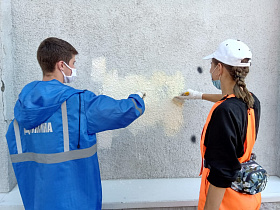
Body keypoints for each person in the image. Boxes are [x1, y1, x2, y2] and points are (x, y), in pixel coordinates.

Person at [5, 37, 146, 210]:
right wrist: (137, 99)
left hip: (37, 203)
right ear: (61, 65)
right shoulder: (79, 102)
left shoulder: (21, 110)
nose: (75, 68)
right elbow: (119, 111)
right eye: (73, 63)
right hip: (76, 203)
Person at [178, 39, 261, 209]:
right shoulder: (252, 101)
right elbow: (230, 98)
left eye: (211, 64)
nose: (210, 69)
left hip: (226, 201)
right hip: (246, 200)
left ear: (220, 69)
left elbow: (222, 172)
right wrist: (198, 95)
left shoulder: (224, 112)